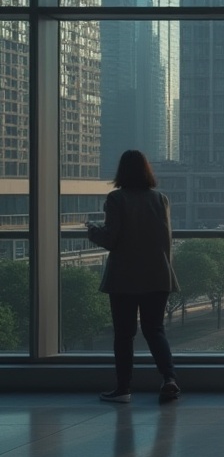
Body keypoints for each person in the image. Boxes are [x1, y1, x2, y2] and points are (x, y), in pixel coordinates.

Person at [88, 150, 181, 403]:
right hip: (157, 274)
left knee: (124, 335)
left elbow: (111, 238)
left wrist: (92, 231)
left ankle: (123, 389)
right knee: (155, 330)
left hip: (125, 277)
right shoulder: (160, 199)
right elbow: (165, 239)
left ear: (121, 172)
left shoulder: (117, 199)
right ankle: (169, 378)